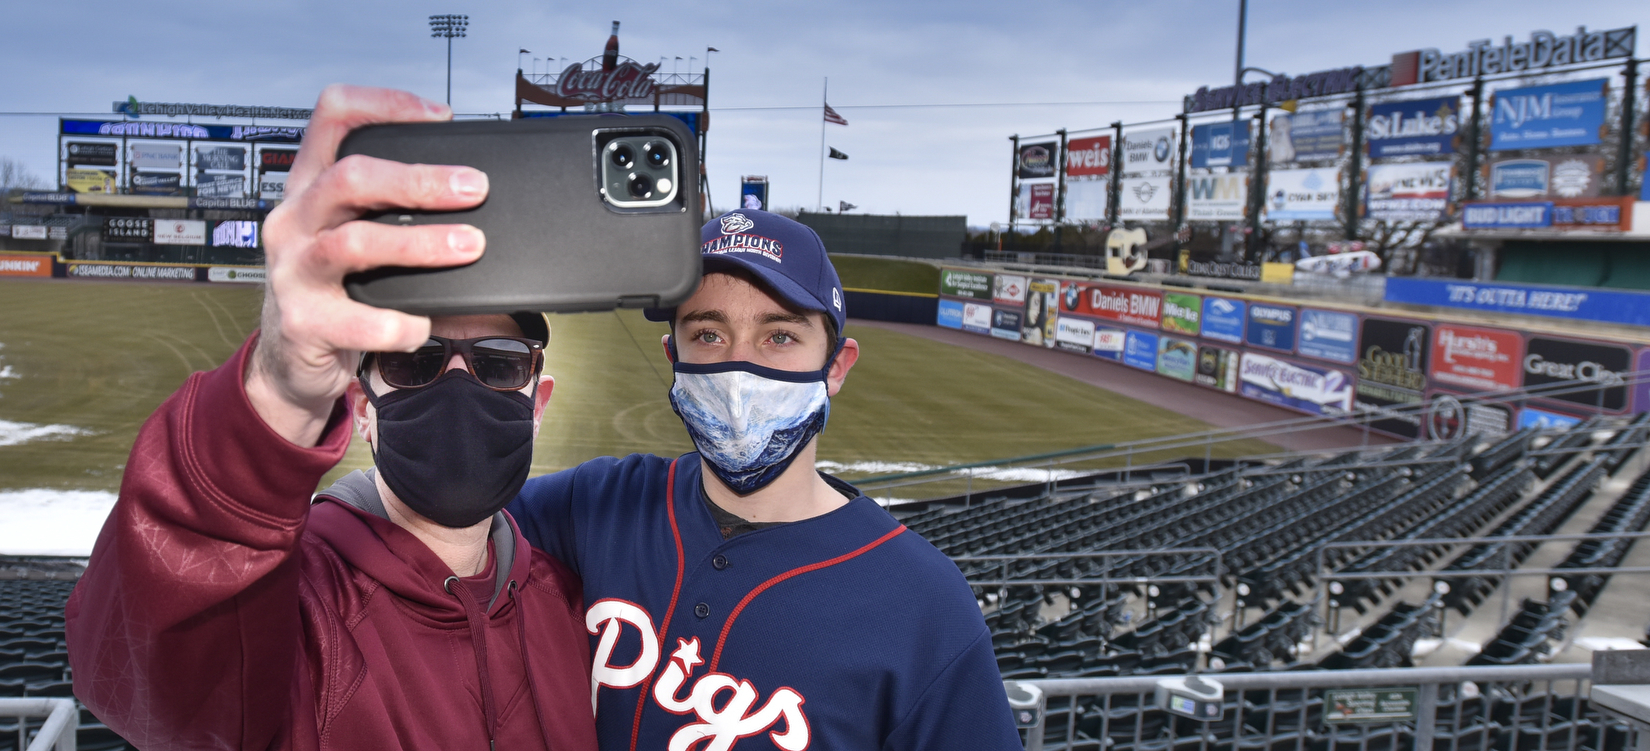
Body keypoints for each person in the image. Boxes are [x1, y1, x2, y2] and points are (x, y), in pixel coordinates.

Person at [65, 86, 599, 751]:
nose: (460, 384)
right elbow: (146, 684)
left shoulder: (572, 605)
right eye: (414, 359)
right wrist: (278, 392)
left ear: (537, 402)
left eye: (497, 363)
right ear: (361, 407)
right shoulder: (294, 607)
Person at [507, 208, 1023, 750]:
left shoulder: (926, 604)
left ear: (836, 367)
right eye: (708, 333)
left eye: (779, 336)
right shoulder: (590, 504)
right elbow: (433, 531)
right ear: (672, 356)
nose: (737, 368)